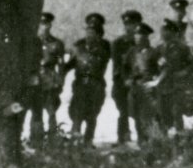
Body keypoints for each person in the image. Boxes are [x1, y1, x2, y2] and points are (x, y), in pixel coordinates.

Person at [64, 13, 111, 143]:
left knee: (92, 114)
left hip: (96, 84)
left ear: (99, 34)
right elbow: (69, 65)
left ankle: (88, 140)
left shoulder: (105, 47)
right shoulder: (78, 47)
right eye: (88, 31)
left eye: (93, 32)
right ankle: (76, 139)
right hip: (80, 84)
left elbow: (104, 56)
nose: (89, 35)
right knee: (77, 113)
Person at [26, 12, 66, 142]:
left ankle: (53, 138)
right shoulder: (32, 42)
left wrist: (60, 81)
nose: (45, 27)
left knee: (51, 110)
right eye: (42, 24)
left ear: (50, 25)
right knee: (36, 111)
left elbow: (61, 65)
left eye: (47, 24)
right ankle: (35, 139)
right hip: (36, 79)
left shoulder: (57, 43)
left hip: (50, 79)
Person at [155, 19, 192, 135]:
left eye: (166, 31)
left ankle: (179, 138)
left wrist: (184, 73)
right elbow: (153, 66)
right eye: (162, 30)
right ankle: (164, 139)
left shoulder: (182, 48)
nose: (163, 33)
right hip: (162, 86)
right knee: (162, 113)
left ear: (173, 32)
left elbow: (190, 65)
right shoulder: (158, 49)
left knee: (176, 112)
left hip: (176, 86)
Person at [110, 10, 142, 145]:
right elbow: (117, 64)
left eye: (132, 24)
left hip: (137, 81)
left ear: (138, 25)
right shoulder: (118, 43)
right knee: (123, 111)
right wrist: (125, 79)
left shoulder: (141, 41)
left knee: (138, 111)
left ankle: (142, 137)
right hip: (121, 82)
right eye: (127, 24)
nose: (129, 27)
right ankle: (122, 138)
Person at [126, 22, 159, 145]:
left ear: (146, 37)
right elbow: (124, 67)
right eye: (136, 35)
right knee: (135, 115)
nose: (137, 38)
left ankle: (152, 141)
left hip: (147, 87)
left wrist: (156, 81)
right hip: (135, 87)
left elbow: (164, 67)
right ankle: (141, 139)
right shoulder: (132, 52)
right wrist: (127, 79)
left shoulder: (154, 52)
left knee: (149, 115)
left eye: (140, 35)